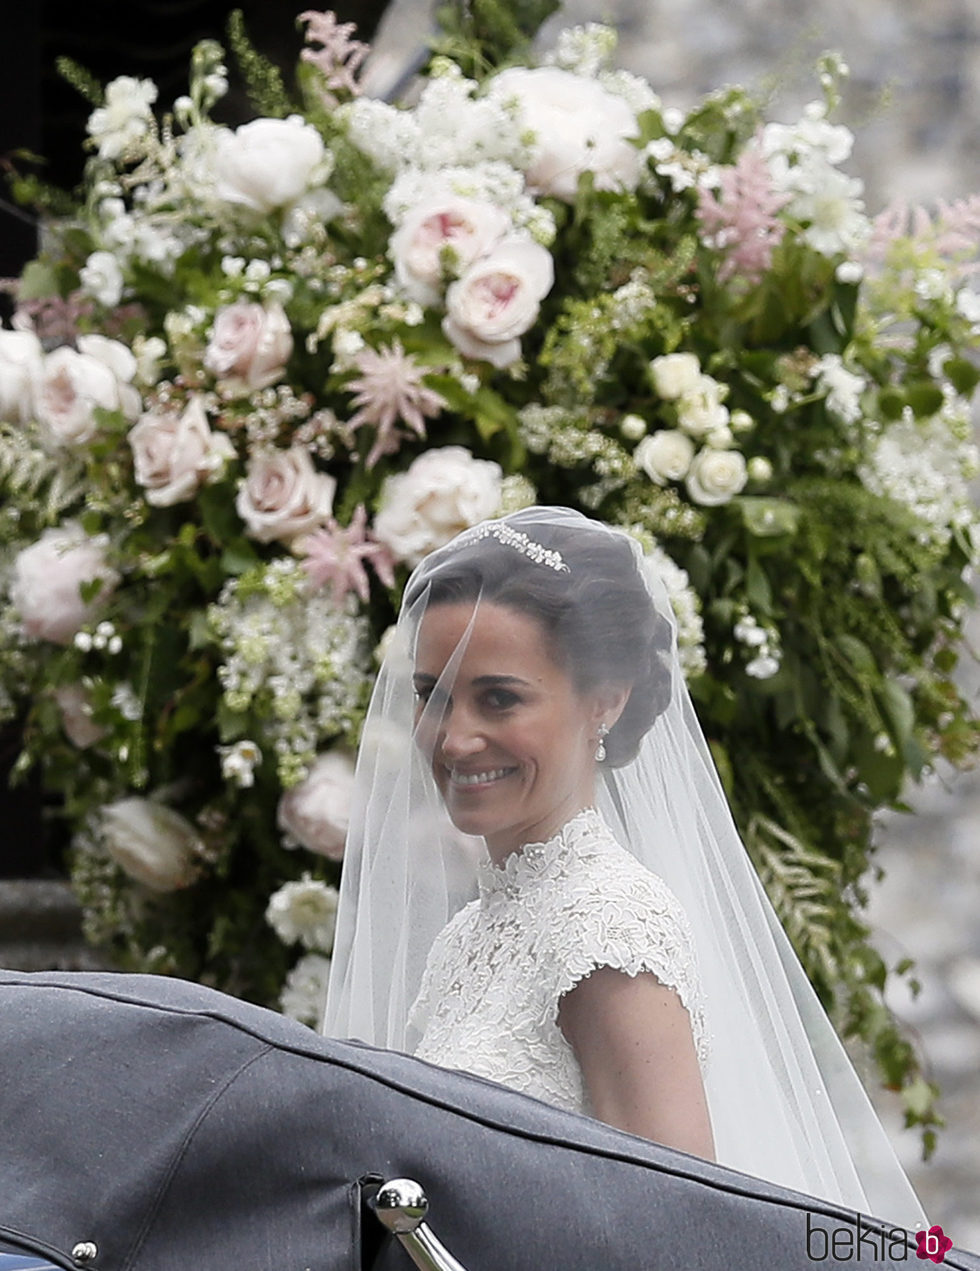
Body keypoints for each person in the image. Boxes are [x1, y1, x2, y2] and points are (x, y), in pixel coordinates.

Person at [323, 505, 925, 1229]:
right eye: (432, 695)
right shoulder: (467, 937)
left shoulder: (607, 931)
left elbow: (675, 1231)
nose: (453, 739)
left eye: (499, 698)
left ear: (604, 701)